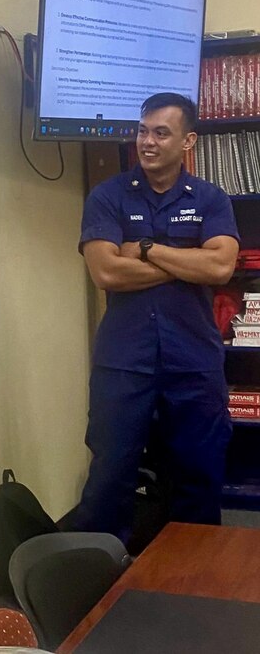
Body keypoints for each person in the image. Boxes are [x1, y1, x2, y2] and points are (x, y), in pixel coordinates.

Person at [72, 92, 239, 543]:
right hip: (124, 362)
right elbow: (106, 270)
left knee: (198, 478)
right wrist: (186, 263)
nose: (147, 141)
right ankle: (101, 589)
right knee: (110, 477)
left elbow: (221, 267)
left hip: (194, 363)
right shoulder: (107, 196)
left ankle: (195, 582)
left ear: (188, 141)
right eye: (143, 131)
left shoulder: (210, 199)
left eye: (161, 133)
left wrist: (146, 249)